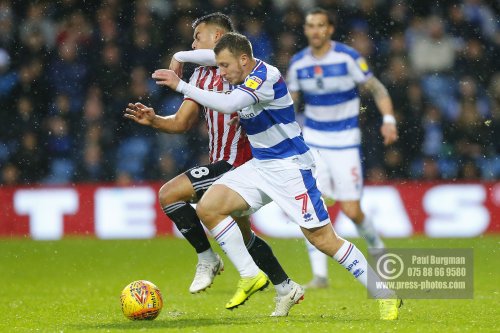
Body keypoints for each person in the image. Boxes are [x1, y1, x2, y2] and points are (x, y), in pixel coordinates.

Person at [152, 32, 402, 320]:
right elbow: (217, 58)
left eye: (223, 67)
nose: (219, 73)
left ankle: (385, 294)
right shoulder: (240, 66)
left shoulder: (263, 77)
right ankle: (255, 276)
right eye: (217, 66)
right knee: (209, 208)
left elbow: (230, 104)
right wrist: (181, 57)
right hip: (261, 165)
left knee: (323, 240)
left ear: (243, 60)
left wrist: (182, 85)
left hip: (291, 167)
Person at [125, 13, 304, 317]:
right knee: (244, 238)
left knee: (169, 194)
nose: (192, 43)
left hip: (243, 164)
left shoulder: (242, 69)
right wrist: (154, 119)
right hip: (221, 161)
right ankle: (286, 287)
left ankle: (207, 258)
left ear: (218, 38)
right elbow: (181, 122)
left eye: (198, 37)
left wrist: (179, 55)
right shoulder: (198, 77)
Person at [286, 7, 399, 289]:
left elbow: (377, 88)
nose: (314, 30)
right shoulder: (298, 64)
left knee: (351, 211)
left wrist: (388, 119)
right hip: (314, 142)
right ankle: (320, 276)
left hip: (346, 142)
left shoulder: (348, 57)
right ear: (306, 30)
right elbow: (288, 103)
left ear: (329, 29)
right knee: (312, 207)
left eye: (320, 25)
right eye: (310, 25)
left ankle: (378, 248)